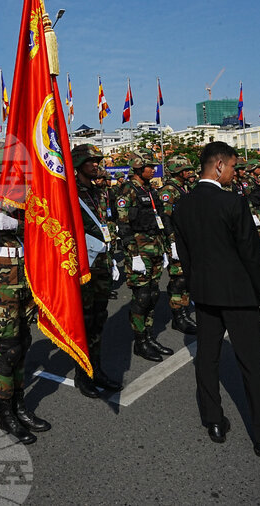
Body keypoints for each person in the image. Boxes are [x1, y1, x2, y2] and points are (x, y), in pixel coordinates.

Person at [171, 141, 260, 459]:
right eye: (233, 166)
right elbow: (251, 253)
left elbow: (185, 254)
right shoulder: (233, 201)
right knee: (253, 366)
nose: (235, 172)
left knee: (207, 359)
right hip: (239, 296)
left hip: (205, 295)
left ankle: (214, 421)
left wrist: (196, 289)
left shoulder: (183, 204)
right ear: (219, 165)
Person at [0, 201, 51, 444]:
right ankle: (6, 415)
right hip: (1, 285)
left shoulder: (24, 201)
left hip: (26, 280)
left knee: (23, 344)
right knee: (8, 350)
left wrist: (16, 224)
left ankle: (19, 406)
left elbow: (45, 229)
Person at [70, 144, 123, 398]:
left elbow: (105, 224)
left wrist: (111, 259)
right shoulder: (69, 193)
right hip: (82, 266)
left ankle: (96, 369)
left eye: (97, 161)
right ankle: (82, 373)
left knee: (99, 319)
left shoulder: (99, 192)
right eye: (90, 161)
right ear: (78, 164)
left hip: (101, 261)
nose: (95, 165)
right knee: (84, 320)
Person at [116, 150, 174, 362]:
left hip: (155, 247)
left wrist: (166, 245)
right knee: (141, 297)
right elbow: (123, 225)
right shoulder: (127, 191)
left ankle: (149, 336)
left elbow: (159, 218)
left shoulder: (149, 190)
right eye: (150, 166)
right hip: (139, 251)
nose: (153, 170)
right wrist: (133, 255)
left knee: (153, 294)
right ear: (138, 168)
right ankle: (140, 341)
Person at [159, 156, 199, 334]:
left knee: (186, 277)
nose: (189, 172)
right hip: (176, 241)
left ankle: (183, 311)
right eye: (186, 170)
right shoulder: (168, 190)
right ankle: (178, 317)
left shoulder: (184, 188)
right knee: (178, 280)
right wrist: (172, 241)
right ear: (177, 171)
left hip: (187, 239)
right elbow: (165, 217)